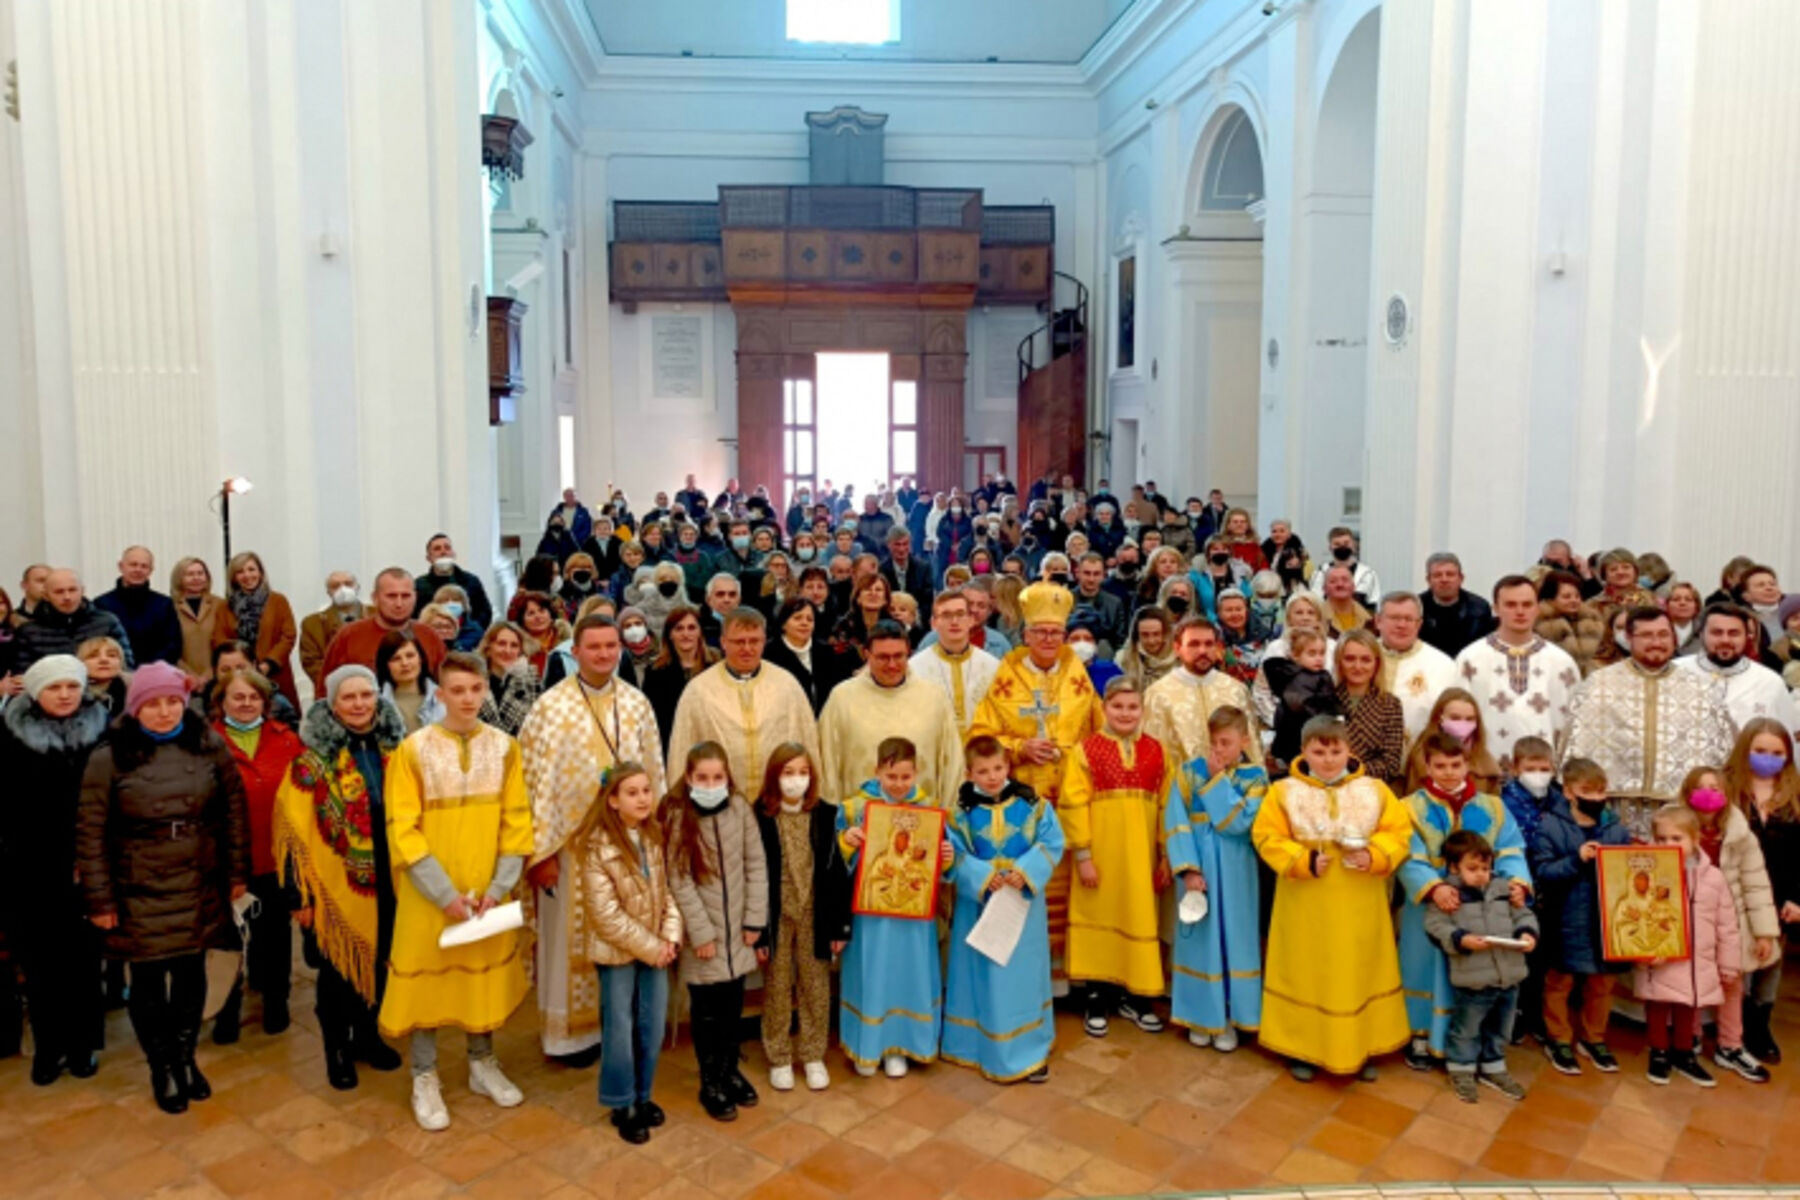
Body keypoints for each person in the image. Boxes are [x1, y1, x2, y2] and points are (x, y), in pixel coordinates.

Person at [77, 662, 249, 1114]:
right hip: (138, 888)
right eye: (153, 703)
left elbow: (233, 812)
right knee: (150, 981)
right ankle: (162, 1065)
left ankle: (186, 1057)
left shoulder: (208, 744)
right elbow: (90, 833)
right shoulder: (108, 756)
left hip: (197, 880)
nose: (165, 711)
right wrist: (100, 899)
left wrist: (235, 874)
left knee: (192, 976)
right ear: (136, 708)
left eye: (173, 701)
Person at [378, 652, 532, 1132]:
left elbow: (517, 820)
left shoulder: (506, 748)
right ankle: (424, 1076)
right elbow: (403, 829)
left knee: (478, 977)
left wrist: (499, 886)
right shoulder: (413, 750)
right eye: (456, 690)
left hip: (487, 890)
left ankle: (482, 1062)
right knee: (429, 979)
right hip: (431, 896)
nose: (467, 698)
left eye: (475, 689)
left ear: (485, 689)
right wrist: (443, 893)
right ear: (439, 695)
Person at [516, 614, 664, 1063]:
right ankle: (571, 1038)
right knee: (569, 943)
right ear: (574, 652)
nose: (603, 653)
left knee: (628, 935)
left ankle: (622, 1031)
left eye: (610, 645)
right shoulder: (550, 707)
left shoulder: (637, 703)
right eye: (593, 646)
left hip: (628, 844)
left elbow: (656, 770)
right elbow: (530, 781)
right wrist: (539, 854)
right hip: (569, 849)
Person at [1252, 715, 1412, 1080]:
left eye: (1335, 750)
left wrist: (1375, 854)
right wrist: (1301, 859)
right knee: (1309, 970)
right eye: (1319, 751)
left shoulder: (1375, 790)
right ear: (1304, 751)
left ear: (1348, 750)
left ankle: (1361, 1043)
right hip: (1306, 904)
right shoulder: (1283, 792)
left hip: (1360, 901)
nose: (1327, 759)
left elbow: (1399, 832)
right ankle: (1303, 1048)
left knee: (1358, 970)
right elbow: (1266, 837)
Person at [273, 664, 407, 1090]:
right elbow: (293, 833)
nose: (359, 704)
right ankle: (336, 1049)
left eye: (366, 695)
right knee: (337, 976)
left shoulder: (396, 751)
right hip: (334, 888)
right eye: (348, 698)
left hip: (391, 880)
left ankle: (368, 1037)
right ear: (331, 705)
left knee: (382, 962)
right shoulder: (311, 761)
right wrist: (300, 897)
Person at [969, 583, 1103, 987]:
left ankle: (1068, 977)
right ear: (1025, 635)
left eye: (1055, 633)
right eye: (1040, 632)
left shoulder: (1077, 675)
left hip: (1072, 794)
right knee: (1026, 880)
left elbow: (1099, 731)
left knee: (1073, 886)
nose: (1048, 640)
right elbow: (979, 736)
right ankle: (1029, 974)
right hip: (1021, 799)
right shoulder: (1006, 673)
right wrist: (1019, 747)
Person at [0, 655, 108, 1084]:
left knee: (83, 962)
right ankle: (49, 1046)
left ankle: (82, 1046)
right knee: (40, 963)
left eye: (71, 686)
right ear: (35, 692)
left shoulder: (103, 734)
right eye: (53, 687)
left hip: (89, 866)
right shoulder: (8, 737)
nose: (64, 695)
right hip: (28, 870)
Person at [1396, 732, 1533, 1069]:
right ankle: (1421, 1036)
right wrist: (1433, 887)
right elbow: (1407, 855)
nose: (1448, 772)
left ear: (1467, 764)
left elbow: (1511, 850)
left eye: (1455, 764)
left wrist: (1517, 884)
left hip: (1482, 908)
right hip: (1428, 907)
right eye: (1439, 765)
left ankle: (1471, 1046)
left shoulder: (1494, 807)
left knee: (1474, 971)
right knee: (1423, 968)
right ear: (1426, 765)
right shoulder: (1408, 808)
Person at [942, 734, 1066, 1082]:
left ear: (1008, 766)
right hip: (979, 905)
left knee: (1020, 975)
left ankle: (1028, 1048)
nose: (993, 776)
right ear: (969, 773)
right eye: (983, 771)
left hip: (1021, 901)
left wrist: (1024, 871)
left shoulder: (1033, 804)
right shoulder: (961, 813)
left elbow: (1053, 841)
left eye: (998, 768)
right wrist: (981, 877)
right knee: (983, 974)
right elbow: (954, 855)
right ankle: (976, 1046)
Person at [576, 761, 682, 1144]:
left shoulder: (653, 835)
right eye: (632, 792)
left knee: (650, 1025)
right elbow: (606, 916)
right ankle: (622, 1102)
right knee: (619, 1027)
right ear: (613, 800)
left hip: (655, 949)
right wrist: (652, 947)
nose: (642, 798)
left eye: (646, 791)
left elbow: (667, 892)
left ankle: (643, 1094)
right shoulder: (596, 848)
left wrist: (669, 938)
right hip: (618, 953)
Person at [1060, 679, 1172, 1037]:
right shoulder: (1086, 750)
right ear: (1104, 708)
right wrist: (1083, 855)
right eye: (1118, 706)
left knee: (1138, 916)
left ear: (1143, 710)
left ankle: (1135, 995)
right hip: (1099, 857)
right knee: (1099, 914)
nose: (1125, 713)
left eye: (1132, 707)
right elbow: (1073, 803)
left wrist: (1167, 855)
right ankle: (1096, 994)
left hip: (1141, 857)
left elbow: (1169, 807)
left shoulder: (1158, 751)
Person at [1565, 606, 1736, 840]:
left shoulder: (1701, 689)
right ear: (1628, 638)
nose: (1656, 642)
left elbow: (1723, 753)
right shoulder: (1599, 684)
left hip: (1680, 812)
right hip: (1613, 811)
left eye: (1663, 635)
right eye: (1646, 635)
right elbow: (1573, 748)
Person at [662, 741, 767, 1120]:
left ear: (728, 777)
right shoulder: (678, 815)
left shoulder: (739, 808)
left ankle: (730, 1070)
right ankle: (711, 1081)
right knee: (706, 1012)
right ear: (689, 778)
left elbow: (756, 863)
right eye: (702, 778)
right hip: (703, 937)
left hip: (739, 931)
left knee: (732, 1007)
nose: (710, 784)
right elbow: (679, 879)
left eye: (717, 777)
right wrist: (701, 933)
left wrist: (755, 919)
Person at [836, 737, 954, 1078]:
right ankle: (868, 1045)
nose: (899, 785)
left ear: (915, 773)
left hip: (913, 917)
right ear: (877, 772)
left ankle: (901, 1046)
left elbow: (942, 860)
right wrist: (847, 842)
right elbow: (835, 859)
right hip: (871, 914)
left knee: (907, 973)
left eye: (905, 778)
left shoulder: (929, 809)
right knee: (873, 973)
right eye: (891, 778)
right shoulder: (855, 808)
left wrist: (947, 858)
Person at [207, 668, 304, 1044]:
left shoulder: (286, 740)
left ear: (266, 702)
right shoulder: (205, 742)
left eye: (254, 697)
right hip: (225, 862)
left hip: (276, 857)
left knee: (275, 938)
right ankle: (225, 1011)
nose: (246, 704)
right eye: (238, 697)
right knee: (227, 941)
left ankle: (276, 1001)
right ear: (222, 702)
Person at [1163, 705, 1266, 1050]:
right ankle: (1200, 1016)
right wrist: (1189, 870)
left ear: (1244, 740)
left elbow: (1238, 824)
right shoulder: (1188, 772)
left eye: (1226, 743)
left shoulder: (1256, 778)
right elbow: (1176, 821)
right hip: (1200, 870)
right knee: (1201, 938)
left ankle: (1230, 1018)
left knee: (1234, 938)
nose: (1219, 750)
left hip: (1237, 872)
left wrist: (1218, 780)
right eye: (1214, 743)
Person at [754, 744, 849, 1094]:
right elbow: (753, 874)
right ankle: (779, 1057)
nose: (796, 780)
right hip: (776, 915)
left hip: (815, 912)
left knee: (815, 985)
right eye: (788, 773)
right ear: (774, 777)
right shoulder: (761, 816)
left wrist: (839, 924)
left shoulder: (827, 815)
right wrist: (759, 932)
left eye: (803, 772)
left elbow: (837, 873)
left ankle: (812, 1054)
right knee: (777, 987)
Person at [1528, 756, 1633, 1075]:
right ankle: (1558, 1037)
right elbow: (1543, 871)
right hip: (1565, 918)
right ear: (1570, 792)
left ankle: (1594, 1037)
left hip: (1607, 918)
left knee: (1603, 983)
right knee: (1560, 981)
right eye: (1588, 790)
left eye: (1602, 791)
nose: (1597, 798)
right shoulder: (1550, 825)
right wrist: (1577, 859)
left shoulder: (1616, 827)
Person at [1678, 765, 1778, 1082]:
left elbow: (1756, 883)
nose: (1709, 794)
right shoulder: (1674, 826)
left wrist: (1764, 932)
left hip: (1729, 922)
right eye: (1702, 787)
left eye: (1716, 788)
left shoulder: (1739, 834)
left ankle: (1730, 1045)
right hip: (1691, 920)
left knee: (1731, 982)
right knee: (1692, 982)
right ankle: (1689, 1039)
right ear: (1687, 792)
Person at [1422, 830, 1539, 1102]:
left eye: (1485, 868)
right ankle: (1461, 1069)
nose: (1480, 875)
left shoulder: (1502, 888)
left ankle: (1493, 1066)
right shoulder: (1449, 895)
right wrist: (1461, 940)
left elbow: (1523, 913)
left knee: (1501, 1026)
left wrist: (1527, 934)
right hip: (1473, 978)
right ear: (1453, 867)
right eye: (1472, 868)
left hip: (1509, 975)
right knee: (1468, 1027)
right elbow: (1435, 926)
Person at [1634, 804, 1740, 1087]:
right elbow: (1635, 916)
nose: (1668, 845)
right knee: (1657, 1006)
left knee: (1687, 1007)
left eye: (1676, 839)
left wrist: (1728, 962)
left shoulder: (1714, 878)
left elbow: (1727, 924)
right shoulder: (1648, 875)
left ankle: (1684, 1054)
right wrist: (1642, 950)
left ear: (1695, 840)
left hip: (1696, 962)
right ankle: (1658, 1053)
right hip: (1659, 959)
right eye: (1662, 839)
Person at [667, 607, 820, 797]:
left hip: (777, 803)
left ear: (764, 641)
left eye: (754, 641)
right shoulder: (698, 691)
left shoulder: (786, 685)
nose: (747, 648)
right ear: (723, 642)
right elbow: (681, 752)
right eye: (739, 642)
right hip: (720, 804)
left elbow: (808, 743)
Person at [819, 620, 963, 804]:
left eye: (899, 656)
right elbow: (829, 765)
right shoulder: (842, 697)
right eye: (883, 657)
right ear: (866, 654)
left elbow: (951, 763)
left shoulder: (934, 697)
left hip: (921, 820)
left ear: (908, 654)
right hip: (860, 822)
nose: (892, 665)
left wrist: (947, 818)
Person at [1725, 718, 1800, 1066]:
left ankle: (1760, 1024)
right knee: (1741, 959)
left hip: (1782, 892)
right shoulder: (1728, 791)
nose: (1768, 758)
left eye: (1776, 753)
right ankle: (1732, 1023)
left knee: (1771, 960)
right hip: (1737, 890)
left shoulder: (1796, 794)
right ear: (1745, 751)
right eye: (1760, 751)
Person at [1451, 575, 1582, 773]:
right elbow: (1455, 723)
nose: (1520, 612)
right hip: (1484, 775)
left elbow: (1576, 725)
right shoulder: (1470, 659)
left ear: (1537, 608)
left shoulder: (1561, 663)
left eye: (1527, 604)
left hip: (1546, 778)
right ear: (1496, 608)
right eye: (1511, 605)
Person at [1144, 615, 1263, 769]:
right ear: (1177, 648)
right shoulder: (1158, 694)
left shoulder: (1235, 690)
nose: (1203, 650)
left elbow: (1252, 747)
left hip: (1234, 787)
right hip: (1180, 788)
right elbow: (1151, 754)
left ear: (1217, 648)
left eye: (1209, 644)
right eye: (1194, 644)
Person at [1678, 604, 1800, 734]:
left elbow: (1786, 738)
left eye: (1734, 633)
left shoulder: (1769, 682)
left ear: (1747, 637)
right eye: (1717, 632)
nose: (1725, 640)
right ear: (1701, 635)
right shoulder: (1677, 672)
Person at [322, 568, 448, 677]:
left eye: (405, 596)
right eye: (391, 596)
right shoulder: (348, 636)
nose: (399, 604)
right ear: (375, 598)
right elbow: (325, 692)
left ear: (415, 597)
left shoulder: (429, 636)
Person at [910, 589, 1001, 738]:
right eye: (946, 615)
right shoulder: (915, 668)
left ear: (971, 620)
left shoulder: (992, 666)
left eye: (960, 614)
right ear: (934, 623)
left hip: (980, 752)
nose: (954, 622)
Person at [220, 551, 301, 714]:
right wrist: (239, 665)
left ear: (260, 572)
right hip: (237, 675)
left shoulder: (278, 600)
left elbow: (288, 636)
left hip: (275, 674)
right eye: (240, 571)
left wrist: (267, 664)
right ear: (233, 577)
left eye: (251, 569)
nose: (247, 575)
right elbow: (219, 639)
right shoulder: (225, 606)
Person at [1373, 593, 1457, 743]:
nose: (1401, 625)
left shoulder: (1442, 665)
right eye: (1394, 618)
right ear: (1378, 621)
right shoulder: (1358, 656)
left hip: (1422, 757)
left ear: (1419, 624)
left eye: (1408, 619)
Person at [14, 568, 134, 672]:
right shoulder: (29, 631)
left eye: (72, 590)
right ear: (46, 596)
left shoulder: (107, 622)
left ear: (82, 590)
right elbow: (24, 673)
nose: (67, 597)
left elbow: (126, 664)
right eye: (59, 592)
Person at [1335, 629, 1408, 789]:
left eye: (1366, 660)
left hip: (1371, 790)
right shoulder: (1324, 699)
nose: (1358, 666)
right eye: (1350, 659)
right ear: (1339, 661)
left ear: (1377, 663)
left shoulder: (1390, 704)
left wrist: (1350, 772)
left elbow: (1391, 763)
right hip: (1326, 787)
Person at [1265, 630, 1340, 774]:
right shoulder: (1293, 677)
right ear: (1296, 655)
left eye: (1321, 653)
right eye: (1312, 654)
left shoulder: (1319, 676)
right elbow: (1302, 704)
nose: (1318, 658)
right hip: (1295, 734)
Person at [1402, 687, 1503, 794]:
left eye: (1469, 719)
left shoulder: (1487, 767)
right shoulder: (1420, 758)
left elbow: (1494, 807)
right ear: (1440, 718)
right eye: (1455, 718)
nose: (1462, 725)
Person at [94, 546, 183, 667]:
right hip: (114, 674)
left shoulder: (164, 604)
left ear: (151, 570)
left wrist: (147, 670)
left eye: (144, 566)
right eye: (133, 565)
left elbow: (173, 644)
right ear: (121, 566)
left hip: (154, 674)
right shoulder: (101, 604)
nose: (138, 570)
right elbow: (96, 644)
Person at [642, 606, 718, 740]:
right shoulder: (655, 672)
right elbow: (651, 718)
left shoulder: (715, 667)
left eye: (691, 628)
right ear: (670, 634)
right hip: (671, 742)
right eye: (679, 628)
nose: (686, 634)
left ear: (700, 632)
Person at [1419, 553, 1497, 655]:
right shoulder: (1416, 607)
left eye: (1450, 574)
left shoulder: (1479, 608)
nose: (1444, 580)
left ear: (1461, 578)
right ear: (1428, 580)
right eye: (1437, 575)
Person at [300, 572, 365, 694]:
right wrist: (340, 685)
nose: (343, 589)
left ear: (357, 587)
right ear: (329, 592)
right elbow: (311, 663)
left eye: (348, 584)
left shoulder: (378, 614)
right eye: (335, 586)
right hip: (332, 693)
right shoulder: (312, 623)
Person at [413, 533, 494, 630]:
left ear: (453, 554)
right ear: (428, 558)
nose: (443, 552)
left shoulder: (471, 581)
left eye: (447, 548)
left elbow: (484, 612)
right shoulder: (419, 585)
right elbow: (415, 616)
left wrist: (472, 630)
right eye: (437, 549)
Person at [1535, 570, 1607, 677]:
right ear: (1550, 599)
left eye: (1577, 596)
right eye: (1566, 597)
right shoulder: (1537, 623)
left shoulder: (1593, 621)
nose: (1574, 600)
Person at [475, 621, 540, 736]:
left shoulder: (531, 682)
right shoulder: (472, 680)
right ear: (489, 647)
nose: (507, 651)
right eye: (501, 644)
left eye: (514, 645)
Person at [168, 557, 227, 680]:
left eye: (200, 573)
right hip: (180, 677)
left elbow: (227, 642)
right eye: (190, 574)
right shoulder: (168, 607)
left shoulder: (221, 605)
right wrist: (188, 674)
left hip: (217, 677)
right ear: (179, 578)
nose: (196, 578)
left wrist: (210, 673)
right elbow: (168, 646)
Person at [377, 628, 443, 735]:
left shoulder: (443, 699)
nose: (405, 663)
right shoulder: (377, 704)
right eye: (396, 658)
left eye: (410, 656)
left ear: (421, 659)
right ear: (385, 665)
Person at [1308, 527, 1382, 605]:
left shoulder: (1367, 573)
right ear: (1330, 548)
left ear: (1353, 545)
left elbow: (1372, 601)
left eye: (1346, 543)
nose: (1342, 546)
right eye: (1337, 544)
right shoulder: (1321, 572)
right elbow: (1315, 600)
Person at [1117, 606, 1177, 690]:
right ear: (1137, 636)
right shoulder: (1123, 659)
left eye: (1156, 634)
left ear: (1165, 634)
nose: (1151, 641)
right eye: (1145, 635)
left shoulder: (1179, 660)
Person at [76, 635, 129, 713]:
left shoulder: (135, 693)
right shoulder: (73, 696)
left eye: (112, 655)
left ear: (121, 663)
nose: (104, 660)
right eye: (93, 656)